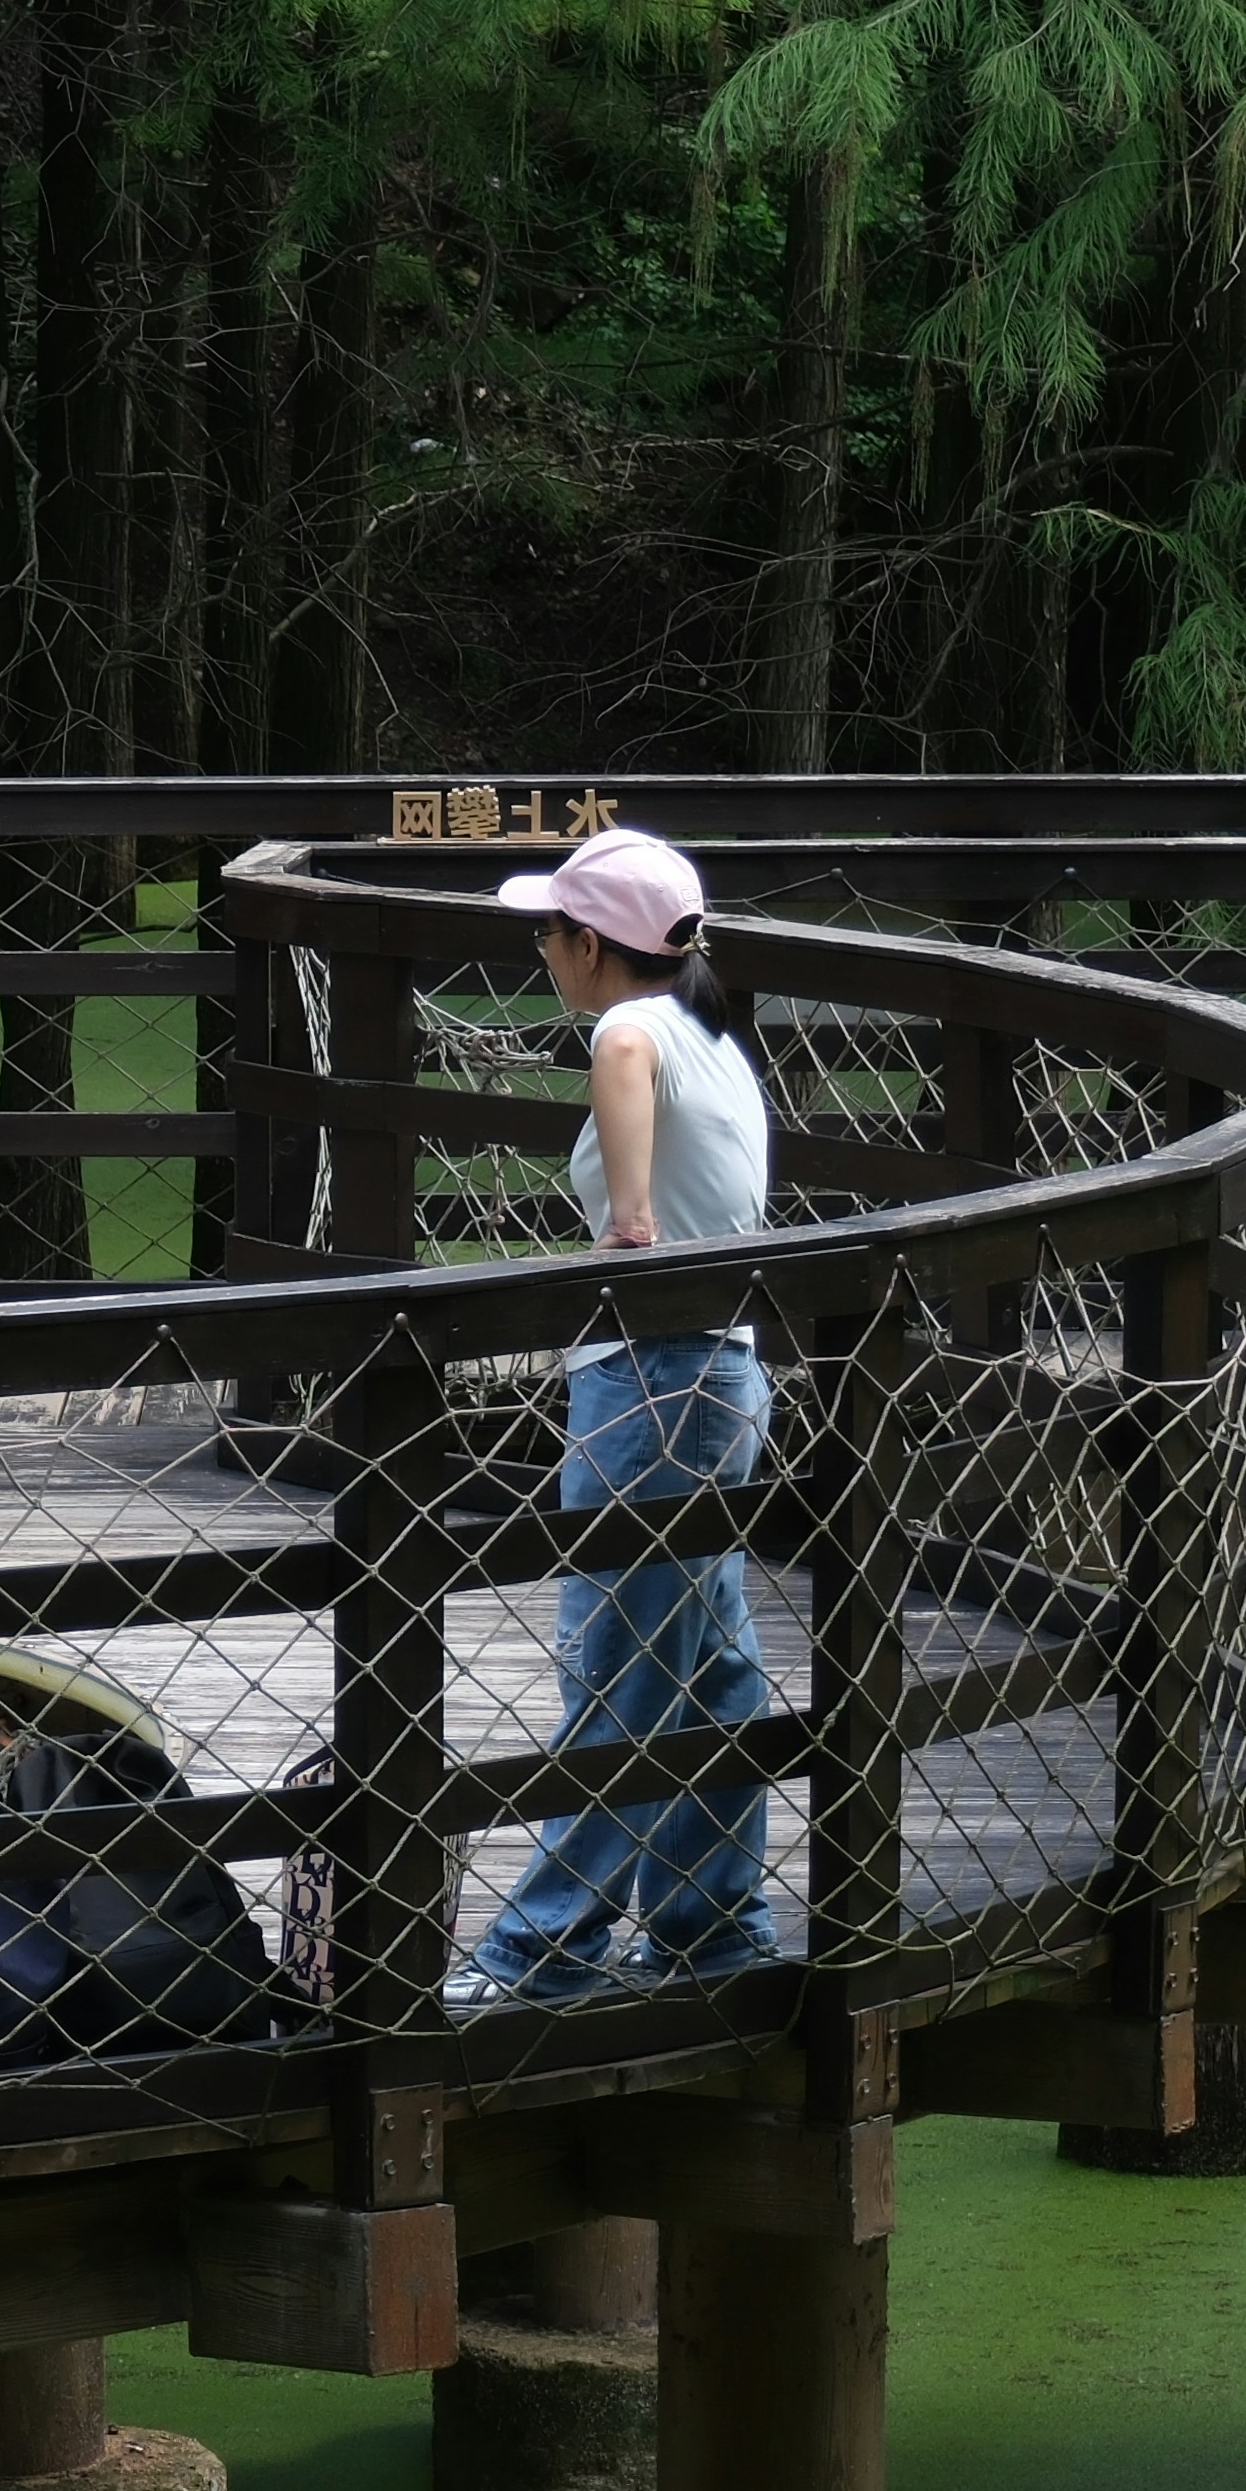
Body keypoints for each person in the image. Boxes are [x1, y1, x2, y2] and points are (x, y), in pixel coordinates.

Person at [465, 826, 784, 2001]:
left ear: (589, 943)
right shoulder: (715, 1034)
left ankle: (543, 1949)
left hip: (651, 1372)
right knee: (711, 1670)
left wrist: (630, 1222)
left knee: (622, 1671)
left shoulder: (631, 1027)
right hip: (726, 1373)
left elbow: (624, 1079)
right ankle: (712, 1925)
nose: (544, 950)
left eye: (548, 931)